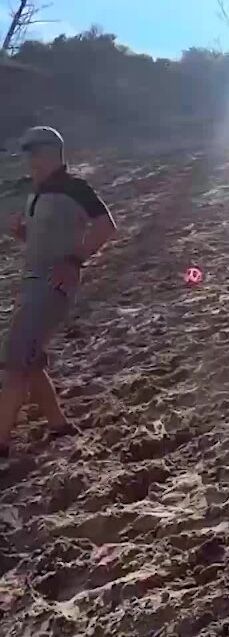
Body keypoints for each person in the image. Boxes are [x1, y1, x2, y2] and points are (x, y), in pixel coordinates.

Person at [0, 126, 117, 457]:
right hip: (31, 283)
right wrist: (25, 234)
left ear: (53, 152)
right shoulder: (36, 192)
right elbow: (47, 239)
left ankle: (1, 441)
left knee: (14, 360)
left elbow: (106, 226)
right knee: (29, 358)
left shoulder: (74, 187)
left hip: (54, 286)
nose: (28, 159)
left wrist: (74, 260)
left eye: (33, 151)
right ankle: (58, 424)